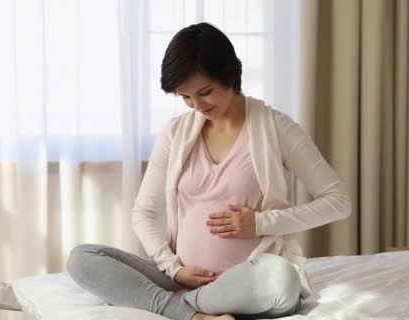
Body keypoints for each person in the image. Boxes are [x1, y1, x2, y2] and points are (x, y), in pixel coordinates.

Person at [66, 22, 351, 320]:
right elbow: (144, 212)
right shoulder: (175, 133)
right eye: (185, 97)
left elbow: (337, 201)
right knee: (83, 258)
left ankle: (181, 305)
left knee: (281, 280)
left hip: (249, 278)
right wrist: (174, 268)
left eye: (205, 92)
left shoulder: (278, 129)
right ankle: (193, 310)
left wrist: (261, 223)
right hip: (180, 276)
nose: (196, 105)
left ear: (230, 75)